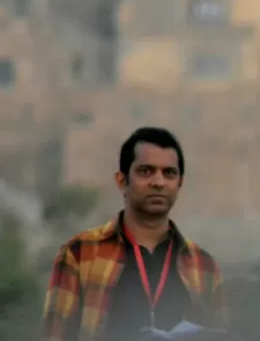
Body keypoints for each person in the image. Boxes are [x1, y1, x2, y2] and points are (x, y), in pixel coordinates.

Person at [42, 127, 229, 341]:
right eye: (146, 171)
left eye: (169, 173)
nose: (158, 182)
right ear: (122, 181)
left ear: (179, 184)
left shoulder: (203, 265)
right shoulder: (81, 253)